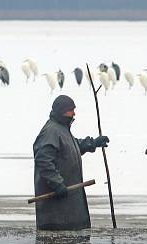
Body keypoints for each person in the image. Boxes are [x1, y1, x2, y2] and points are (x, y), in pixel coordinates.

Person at [32, 95, 108, 230]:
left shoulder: (62, 129)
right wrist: (57, 183)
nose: (74, 113)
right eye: (70, 110)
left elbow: (70, 147)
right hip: (56, 213)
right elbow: (43, 160)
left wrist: (92, 143)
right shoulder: (51, 131)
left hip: (69, 207)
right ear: (62, 111)